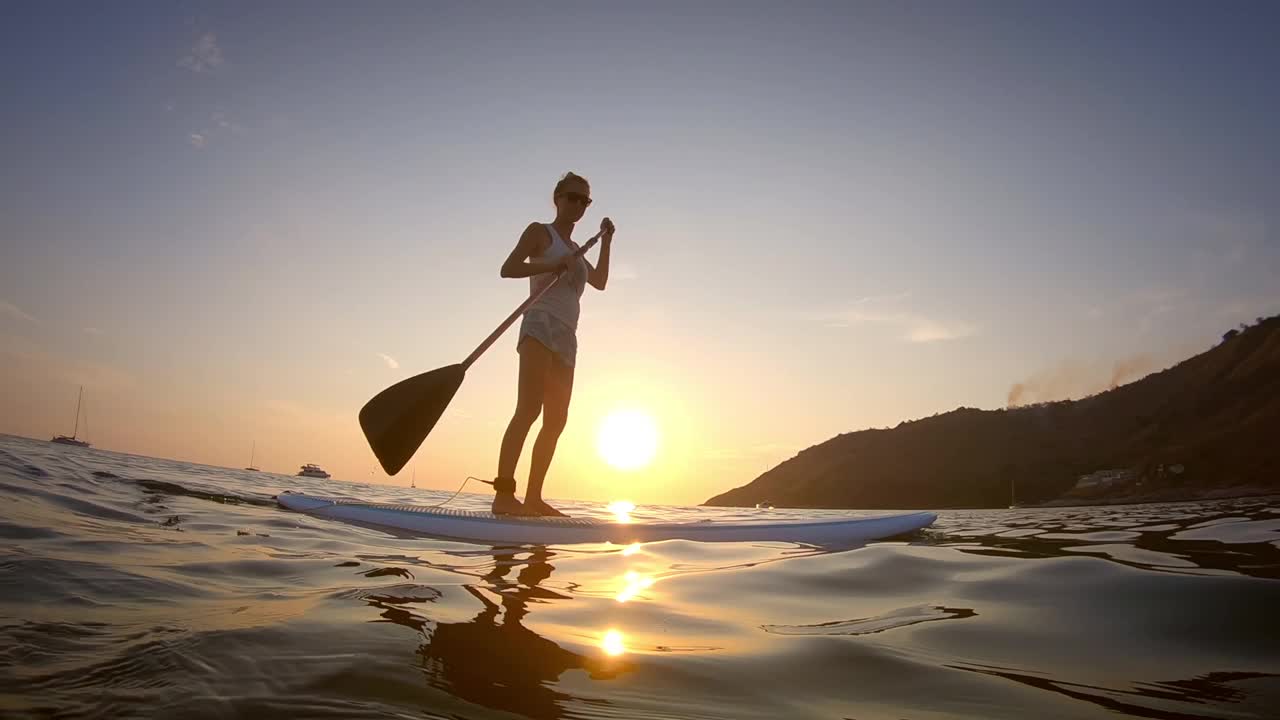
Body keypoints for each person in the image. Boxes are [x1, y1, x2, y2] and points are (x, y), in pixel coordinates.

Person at [491, 172, 615, 516]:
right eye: (572, 197)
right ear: (557, 197)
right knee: (528, 410)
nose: (578, 205)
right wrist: (551, 263)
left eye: (584, 201)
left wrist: (606, 241)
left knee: (556, 420)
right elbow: (509, 268)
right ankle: (503, 496)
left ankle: (533, 499)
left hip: (567, 335)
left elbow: (601, 281)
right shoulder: (539, 232)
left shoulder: (577, 249)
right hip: (540, 324)